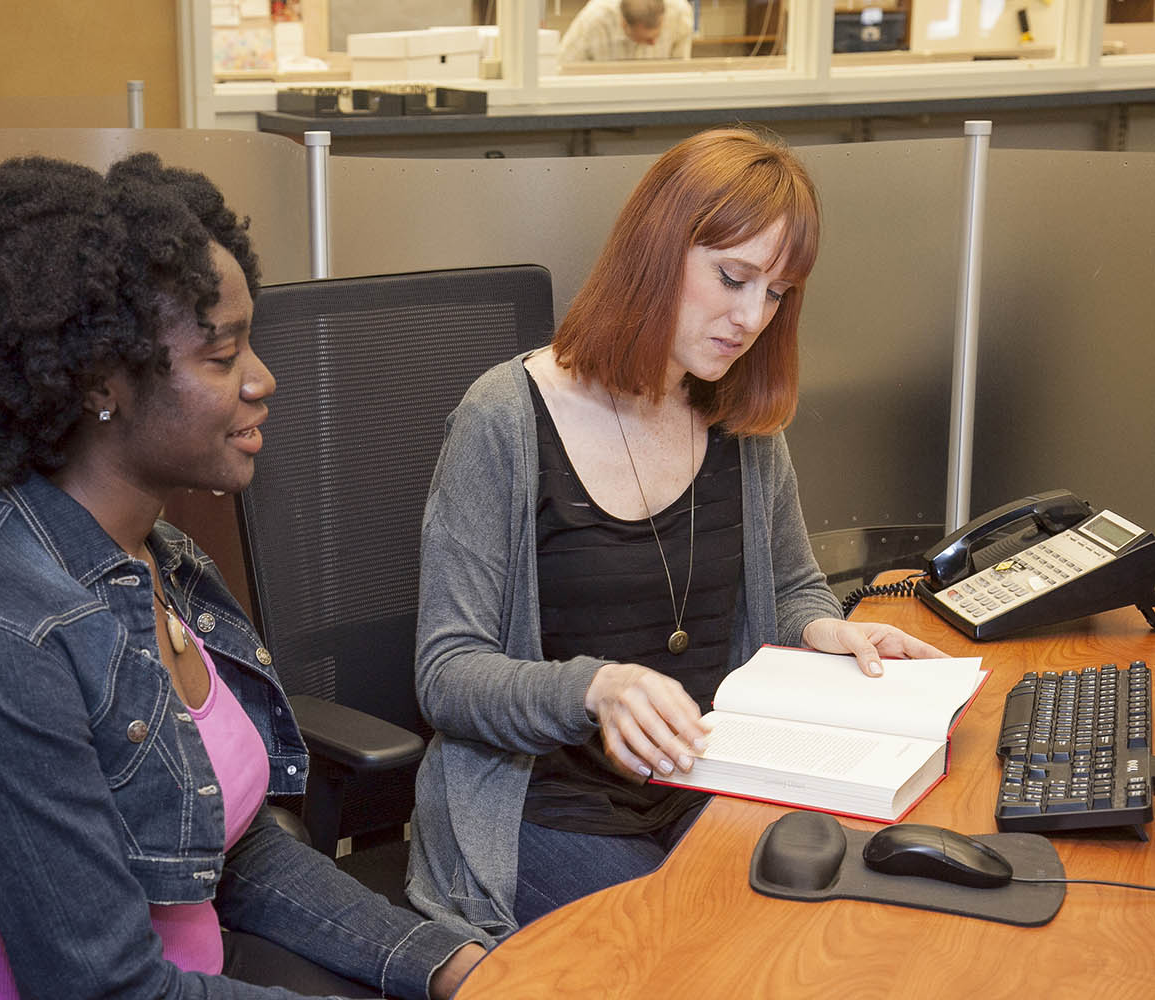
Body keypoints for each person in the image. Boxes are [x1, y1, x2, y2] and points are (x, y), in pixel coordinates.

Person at [0, 153, 486, 999]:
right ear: (102, 384)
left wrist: (450, 966)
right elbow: (107, 991)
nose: (265, 379)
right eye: (222, 355)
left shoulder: (156, 558)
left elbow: (237, 850)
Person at [404, 126, 948, 938]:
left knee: (862, 930)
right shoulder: (503, 420)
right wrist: (595, 688)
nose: (750, 316)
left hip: (711, 785)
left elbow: (792, 581)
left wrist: (825, 626)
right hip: (548, 806)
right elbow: (447, 674)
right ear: (656, 250)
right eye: (733, 277)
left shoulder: (737, 415)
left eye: (776, 293)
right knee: (696, 950)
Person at [558, 0, 694, 64]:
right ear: (624, 24)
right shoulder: (593, 19)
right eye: (646, 39)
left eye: (657, 35)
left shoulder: (679, 13)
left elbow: (681, 68)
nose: (653, 43)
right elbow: (562, 67)